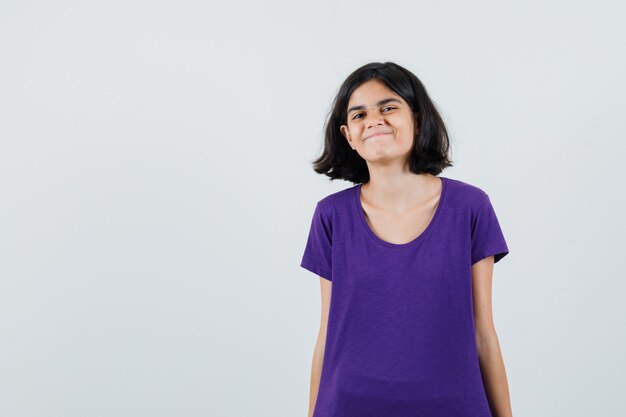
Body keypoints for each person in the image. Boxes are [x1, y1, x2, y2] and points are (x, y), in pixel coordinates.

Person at [300, 62, 513, 417]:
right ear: (348, 135)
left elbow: (484, 333)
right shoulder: (331, 216)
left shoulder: (470, 207)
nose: (374, 120)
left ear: (416, 118)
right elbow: (327, 336)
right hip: (349, 405)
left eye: (388, 107)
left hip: (454, 407)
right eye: (359, 114)